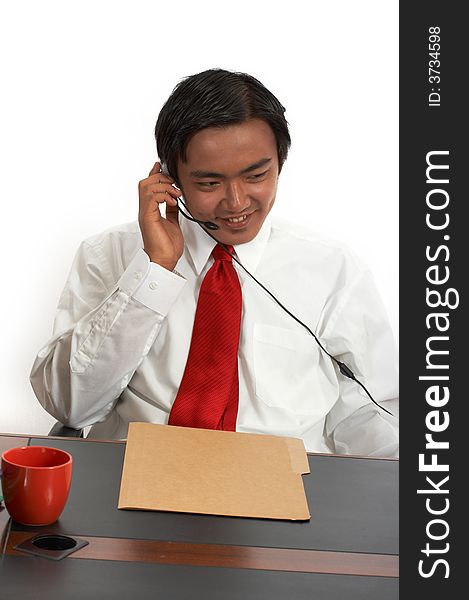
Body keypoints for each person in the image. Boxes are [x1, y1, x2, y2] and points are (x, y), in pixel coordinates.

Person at [30, 68, 398, 456]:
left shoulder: (334, 270)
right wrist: (152, 273)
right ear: (170, 178)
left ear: (280, 164)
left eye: (257, 175)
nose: (236, 203)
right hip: (136, 476)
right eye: (209, 184)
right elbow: (70, 405)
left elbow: (370, 413)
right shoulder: (108, 255)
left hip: (282, 487)